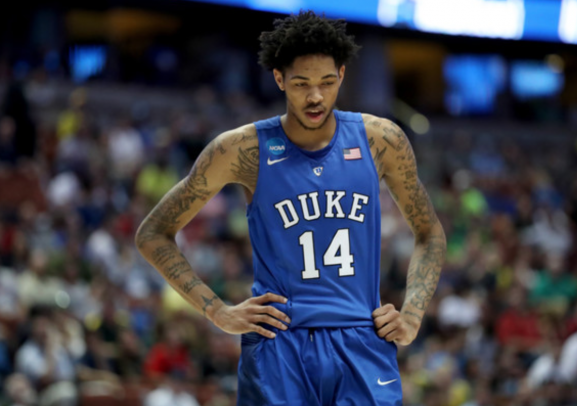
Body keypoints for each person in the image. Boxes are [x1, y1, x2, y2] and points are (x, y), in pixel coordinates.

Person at [136, 10, 446, 406]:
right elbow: (152, 233)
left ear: (342, 76)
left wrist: (413, 315)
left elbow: (430, 232)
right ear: (279, 79)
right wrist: (216, 311)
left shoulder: (380, 139)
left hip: (361, 340)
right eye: (301, 84)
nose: (315, 96)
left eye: (326, 82)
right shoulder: (242, 149)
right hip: (279, 344)